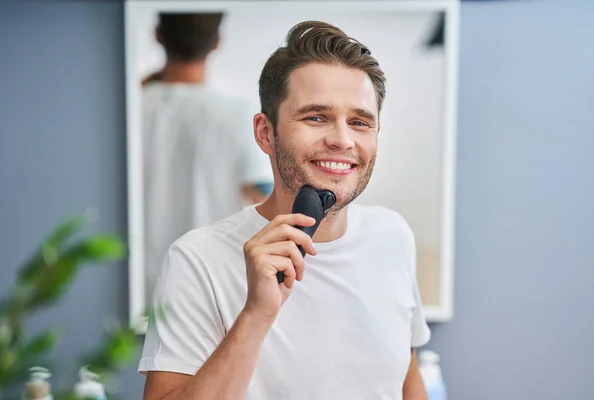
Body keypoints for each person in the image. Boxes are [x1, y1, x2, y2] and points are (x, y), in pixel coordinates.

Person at [139, 20, 431, 400]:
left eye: (359, 122)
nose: (342, 140)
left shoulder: (393, 236)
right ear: (265, 133)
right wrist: (256, 316)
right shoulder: (197, 259)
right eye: (315, 117)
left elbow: (404, 380)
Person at [141, 12, 274, 304]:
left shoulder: (130, 108)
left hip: (134, 290)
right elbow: (265, 200)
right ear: (217, 42)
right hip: (208, 289)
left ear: (158, 35)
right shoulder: (237, 116)